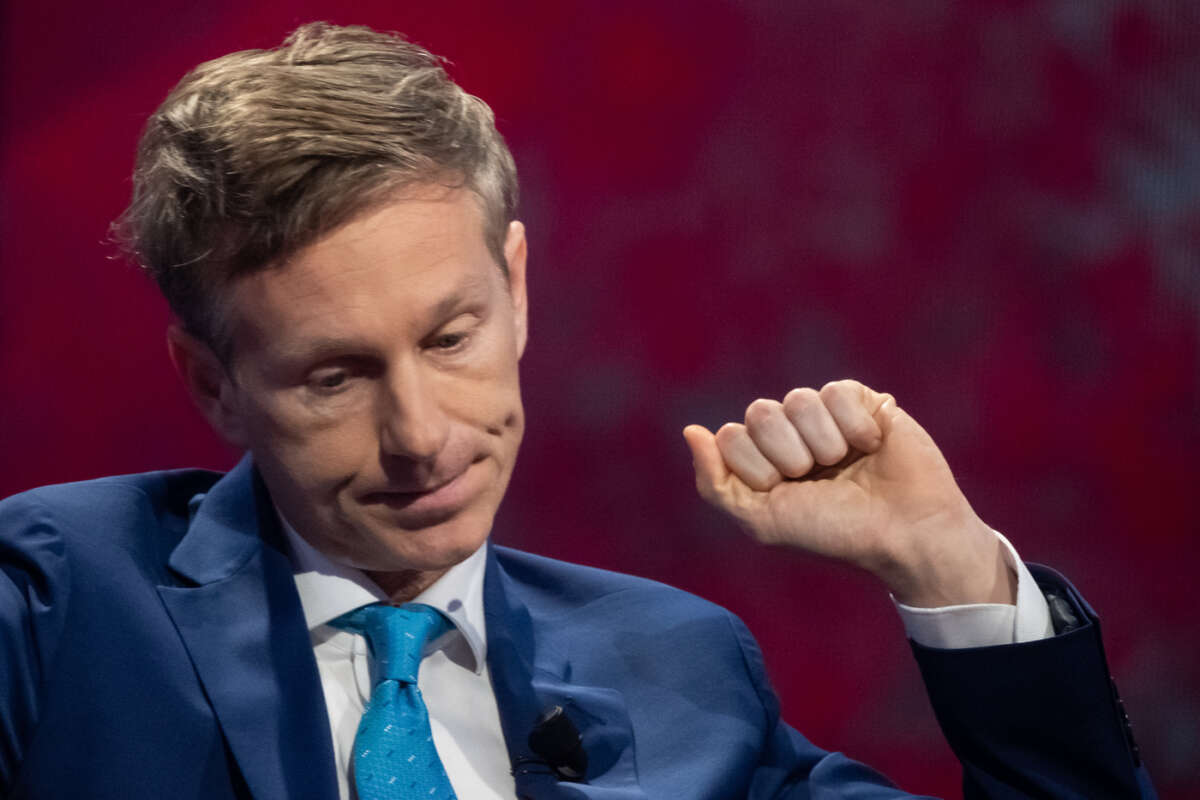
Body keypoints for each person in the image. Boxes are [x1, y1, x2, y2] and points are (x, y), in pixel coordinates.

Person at [0, 22, 1153, 800]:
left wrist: (948, 566)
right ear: (213, 381)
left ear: (517, 289)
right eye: (335, 377)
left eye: (450, 338)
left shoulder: (681, 669)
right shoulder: (57, 606)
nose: (422, 436)